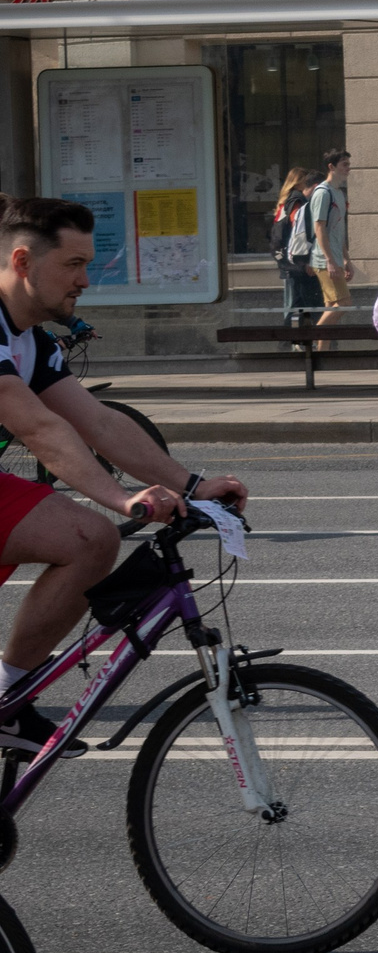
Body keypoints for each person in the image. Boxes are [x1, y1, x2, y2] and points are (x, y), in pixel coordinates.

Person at [0, 197, 248, 750]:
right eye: (72, 265)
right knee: (94, 531)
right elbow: (39, 428)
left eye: (88, 265)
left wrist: (192, 486)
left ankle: (7, 701)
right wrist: (123, 498)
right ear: (22, 262)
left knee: (89, 541)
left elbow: (97, 422)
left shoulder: (32, 340)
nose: (85, 280)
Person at [293, 150, 353, 349]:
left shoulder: (338, 193)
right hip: (324, 259)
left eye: (348, 164)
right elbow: (319, 227)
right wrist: (330, 260)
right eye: (344, 164)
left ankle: (321, 353)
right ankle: (312, 337)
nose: (348, 168)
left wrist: (346, 259)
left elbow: (337, 230)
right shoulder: (322, 192)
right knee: (344, 303)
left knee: (331, 307)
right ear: (331, 167)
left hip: (334, 258)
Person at [271, 167, 321, 315]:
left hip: (288, 260)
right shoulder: (297, 201)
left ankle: (291, 336)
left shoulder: (285, 202)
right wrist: (306, 260)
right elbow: (299, 232)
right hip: (296, 262)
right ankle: (288, 336)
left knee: (296, 305)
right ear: (299, 183)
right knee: (297, 306)